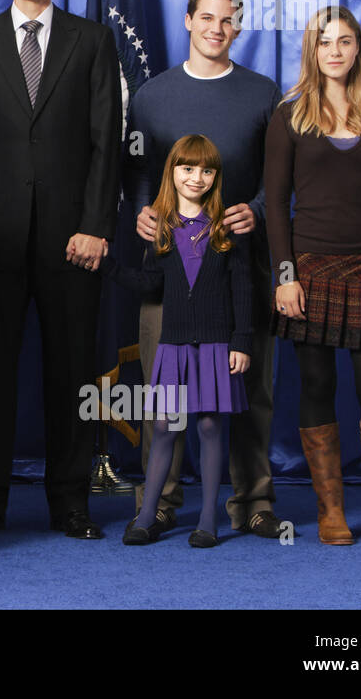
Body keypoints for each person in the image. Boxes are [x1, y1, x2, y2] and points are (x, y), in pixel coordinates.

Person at [0, 0, 120, 539]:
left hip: (72, 241)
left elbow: (106, 144)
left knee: (71, 372)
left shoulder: (93, 41)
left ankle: (71, 503)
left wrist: (97, 226)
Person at [123, 0, 283, 538]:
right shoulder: (152, 95)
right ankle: (160, 499)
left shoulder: (263, 94)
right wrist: (144, 214)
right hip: (169, 270)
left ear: (238, 28)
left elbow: (279, 179)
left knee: (246, 385)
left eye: (229, 20)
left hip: (238, 265)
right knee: (164, 394)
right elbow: (139, 173)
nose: (217, 28)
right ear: (188, 20)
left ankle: (253, 499)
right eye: (207, 17)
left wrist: (257, 211)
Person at [265, 5, 361, 544]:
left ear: (357, 50)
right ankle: (330, 508)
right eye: (325, 41)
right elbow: (276, 205)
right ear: (312, 49)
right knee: (318, 383)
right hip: (308, 266)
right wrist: (285, 275)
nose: (334, 50)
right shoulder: (288, 116)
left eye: (345, 41)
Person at [105, 136, 251, 547]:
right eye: (187, 168)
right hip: (173, 345)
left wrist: (242, 342)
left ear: (215, 178)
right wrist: (109, 266)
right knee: (166, 425)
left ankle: (208, 520)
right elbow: (149, 283)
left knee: (208, 425)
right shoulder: (162, 231)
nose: (196, 177)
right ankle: (147, 515)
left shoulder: (226, 229)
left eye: (206, 170)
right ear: (172, 172)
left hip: (216, 344)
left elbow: (242, 291)